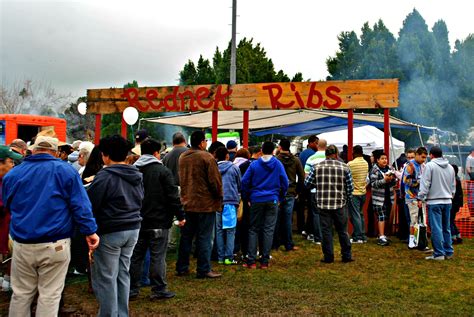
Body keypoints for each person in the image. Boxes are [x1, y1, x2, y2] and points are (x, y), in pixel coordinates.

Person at [2, 136, 99, 316]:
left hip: (23, 242)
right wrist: (90, 231)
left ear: (32, 150)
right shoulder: (66, 171)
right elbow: (81, 206)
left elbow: (7, 203)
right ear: (55, 152)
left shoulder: (13, 174)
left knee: (21, 295)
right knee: (49, 295)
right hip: (55, 243)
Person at [87, 135, 144, 316]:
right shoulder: (136, 174)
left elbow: (92, 203)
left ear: (105, 155)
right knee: (122, 273)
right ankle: (121, 313)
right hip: (133, 228)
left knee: (106, 277)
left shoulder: (105, 176)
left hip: (111, 230)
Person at [129, 139, 185, 300]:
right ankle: (159, 289)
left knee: (136, 256)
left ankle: (132, 289)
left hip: (137, 221)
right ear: (156, 153)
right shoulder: (162, 171)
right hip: (159, 220)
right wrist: (180, 216)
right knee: (157, 256)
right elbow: (173, 196)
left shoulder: (133, 170)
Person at [176, 131, 223, 279]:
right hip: (205, 204)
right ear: (202, 142)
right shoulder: (207, 157)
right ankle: (203, 269)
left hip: (188, 202)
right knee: (204, 237)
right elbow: (215, 182)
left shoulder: (183, 157)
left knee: (186, 237)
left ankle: (182, 267)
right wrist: (219, 197)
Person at [241, 141, 288, 269]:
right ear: (273, 151)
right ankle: (264, 261)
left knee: (253, 229)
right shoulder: (278, 164)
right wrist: (280, 197)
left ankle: (251, 260)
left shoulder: (254, 164)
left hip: (256, 199)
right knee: (268, 230)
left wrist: (247, 197)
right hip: (272, 199)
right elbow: (285, 182)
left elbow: (244, 182)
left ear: (261, 150)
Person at [304, 145, 354, 263]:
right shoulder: (344, 167)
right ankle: (346, 255)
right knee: (342, 230)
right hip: (340, 203)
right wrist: (346, 198)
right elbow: (350, 187)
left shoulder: (317, 167)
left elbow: (307, 183)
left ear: (325, 154)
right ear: (336, 154)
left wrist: (318, 185)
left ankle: (328, 256)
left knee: (326, 231)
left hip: (323, 203)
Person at [418, 146, 455, 260]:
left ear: (431, 155)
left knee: (436, 228)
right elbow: (453, 186)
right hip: (447, 200)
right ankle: (448, 251)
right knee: (446, 227)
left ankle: (439, 253)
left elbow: (425, 184)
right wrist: (450, 196)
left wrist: (421, 197)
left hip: (434, 201)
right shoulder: (450, 167)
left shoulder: (430, 166)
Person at [274, 139, 304, 251]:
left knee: (276, 218)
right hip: (290, 192)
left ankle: (275, 243)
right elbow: (301, 177)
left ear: (280, 147)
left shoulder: (276, 160)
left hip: (278, 192)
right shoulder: (296, 160)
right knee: (287, 219)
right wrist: (298, 191)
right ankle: (288, 243)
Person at [215, 147, 241, 264]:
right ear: (227, 156)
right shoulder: (234, 168)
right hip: (230, 201)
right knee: (230, 231)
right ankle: (228, 257)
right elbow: (240, 184)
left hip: (217, 202)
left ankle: (220, 257)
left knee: (219, 230)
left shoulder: (213, 168)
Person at [370, 151, 397, 246]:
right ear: (377, 160)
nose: (385, 160)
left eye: (385, 158)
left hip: (388, 197)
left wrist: (393, 179)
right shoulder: (375, 170)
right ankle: (381, 236)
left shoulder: (390, 168)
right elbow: (373, 184)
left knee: (386, 216)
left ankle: (383, 235)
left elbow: (394, 183)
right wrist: (384, 180)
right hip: (378, 198)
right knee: (381, 216)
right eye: (382, 159)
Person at [303, 139, 328, 244]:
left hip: (315, 190)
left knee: (316, 213)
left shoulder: (311, 158)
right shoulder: (330, 158)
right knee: (327, 213)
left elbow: (306, 176)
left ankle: (318, 237)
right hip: (328, 190)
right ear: (326, 146)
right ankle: (327, 235)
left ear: (317, 145)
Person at [403, 147, 428, 249]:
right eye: (422, 157)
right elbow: (406, 181)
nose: (423, 159)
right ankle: (412, 240)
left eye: (425, 158)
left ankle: (421, 241)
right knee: (414, 220)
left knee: (423, 220)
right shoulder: (410, 166)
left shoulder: (423, 166)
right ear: (417, 155)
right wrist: (418, 181)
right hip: (411, 196)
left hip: (421, 197)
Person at [297, 135, 318, 237]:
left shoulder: (301, 154)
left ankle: (300, 227)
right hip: (310, 184)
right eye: (316, 143)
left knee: (301, 206)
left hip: (301, 184)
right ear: (310, 143)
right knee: (311, 207)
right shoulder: (314, 155)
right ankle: (309, 228)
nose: (317, 145)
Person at [347, 145, 369, 243]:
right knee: (360, 214)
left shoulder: (350, 164)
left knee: (354, 215)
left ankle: (358, 237)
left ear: (354, 152)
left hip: (354, 192)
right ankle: (362, 234)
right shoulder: (366, 163)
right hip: (363, 192)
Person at [450, 164, 463, 244]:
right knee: (451, 220)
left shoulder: (454, 179)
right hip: (456, 203)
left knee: (449, 220)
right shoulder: (457, 178)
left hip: (453, 203)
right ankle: (458, 236)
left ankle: (453, 237)